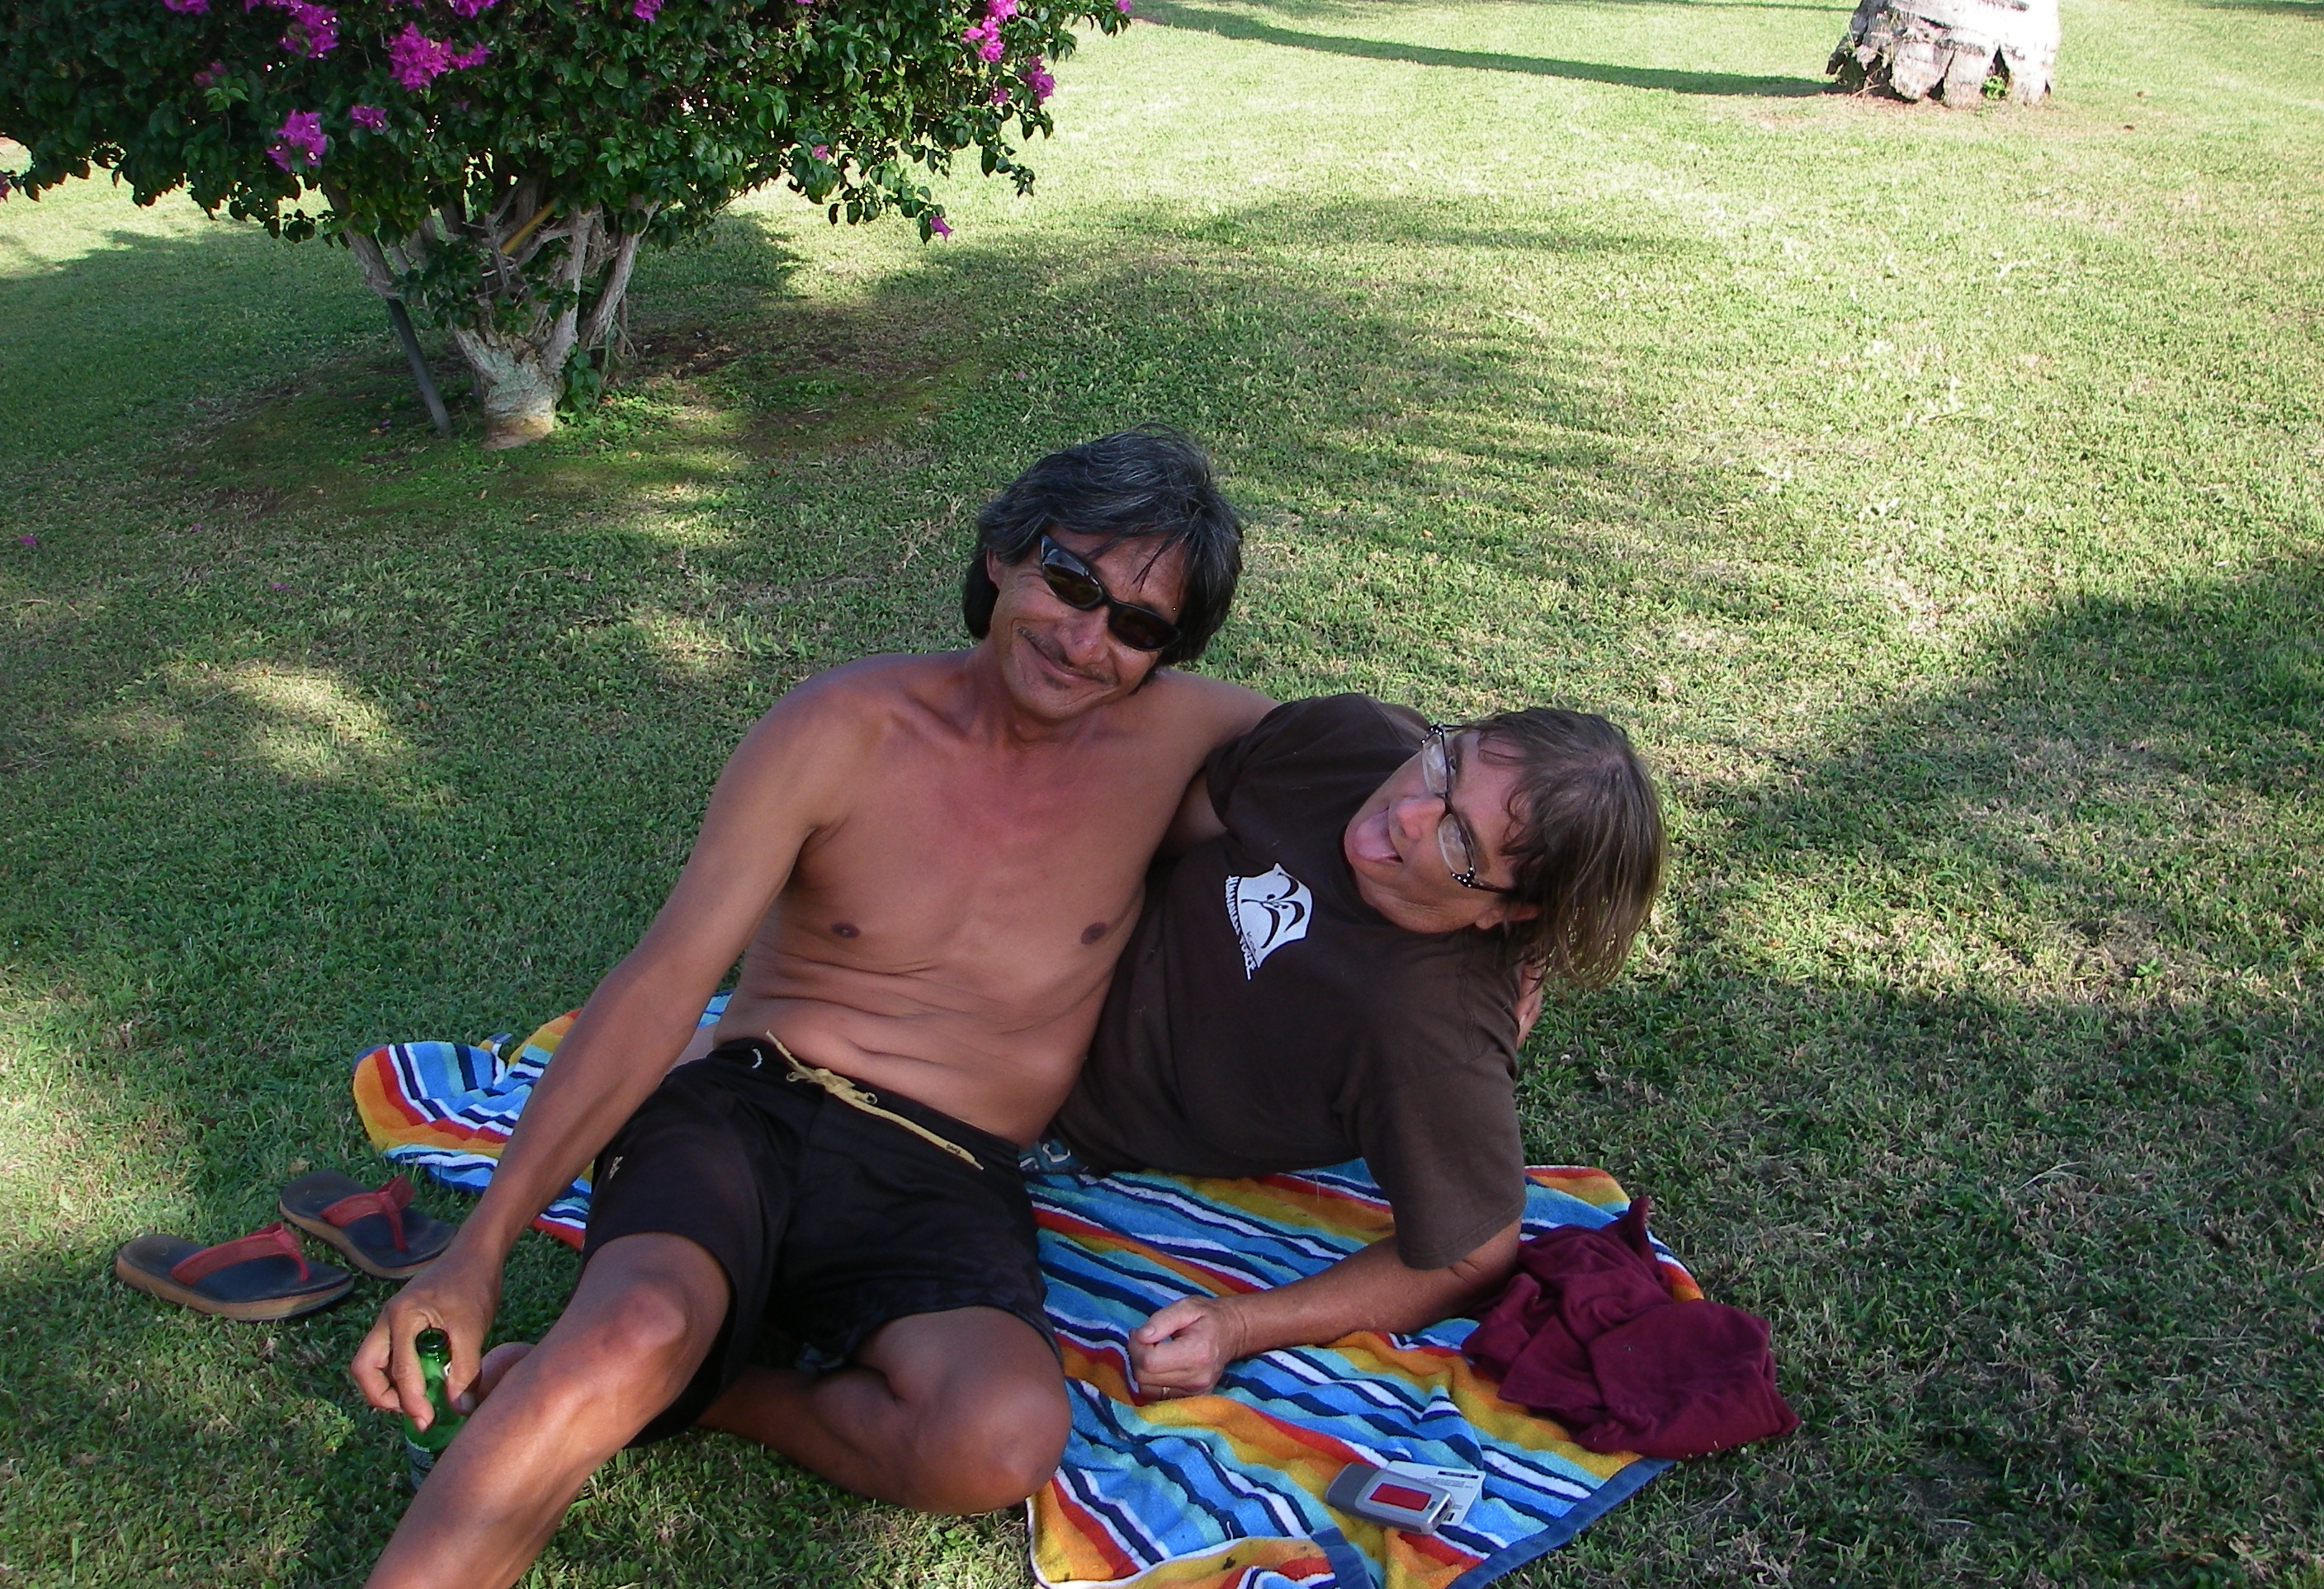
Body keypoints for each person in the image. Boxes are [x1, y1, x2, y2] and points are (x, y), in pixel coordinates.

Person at [350, 429, 1277, 1589]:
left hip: (948, 1167)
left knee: (997, 1437)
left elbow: (1394, 784)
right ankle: (622, 1377)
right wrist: (477, 1252)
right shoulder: (839, 728)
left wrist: (1480, 909)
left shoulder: (1189, 738)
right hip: (752, 1107)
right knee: (630, 1333)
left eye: (1137, 627)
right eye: (1070, 580)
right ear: (1002, 554)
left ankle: (714, 1392)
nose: (1087, 639)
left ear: (1166, 655)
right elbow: (664, 979)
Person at [1040, 693, 1666, 1402]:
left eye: (1459, 842)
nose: (1409, 811)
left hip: (1049, 1106)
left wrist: (1237, 1326)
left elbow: (1472, 1260)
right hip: (1015, 961)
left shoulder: (1433, 1033)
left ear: (1512, 908)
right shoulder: (1344, 742)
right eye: (1447, 764)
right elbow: (1136, 834)